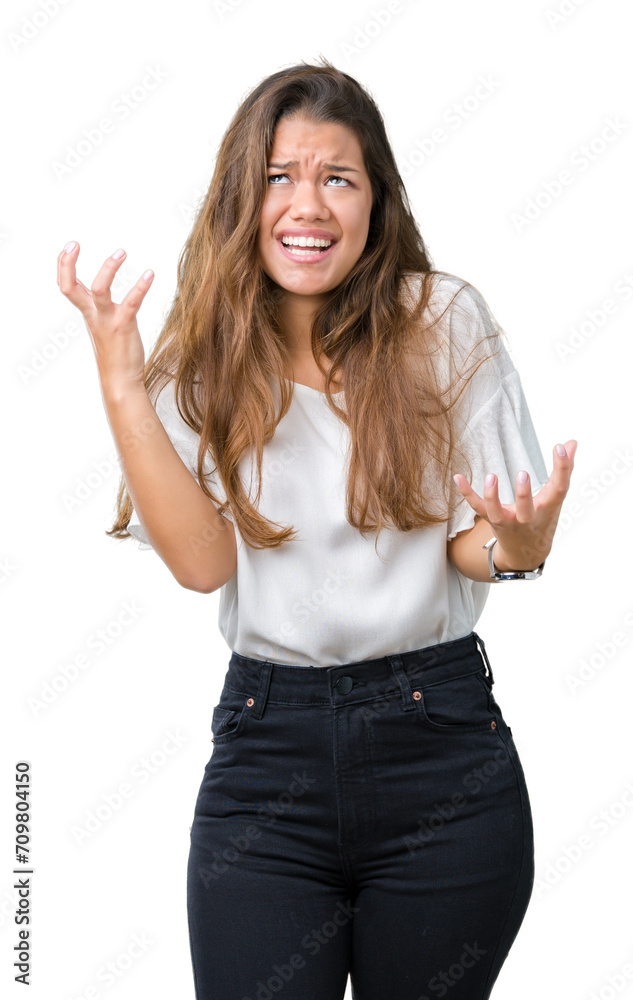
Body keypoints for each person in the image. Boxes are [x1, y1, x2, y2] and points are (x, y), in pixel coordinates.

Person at [57, 58, 577, 1000]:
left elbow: (468, 539)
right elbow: (202, 564)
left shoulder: (443, 322)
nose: (308, 205)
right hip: (268, 759)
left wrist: (521, 546)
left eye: (337, 177)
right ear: (240, 201)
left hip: (440, 752)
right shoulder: (206, 359)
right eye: (277, 178)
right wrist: (123, 383)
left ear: (375, 201)